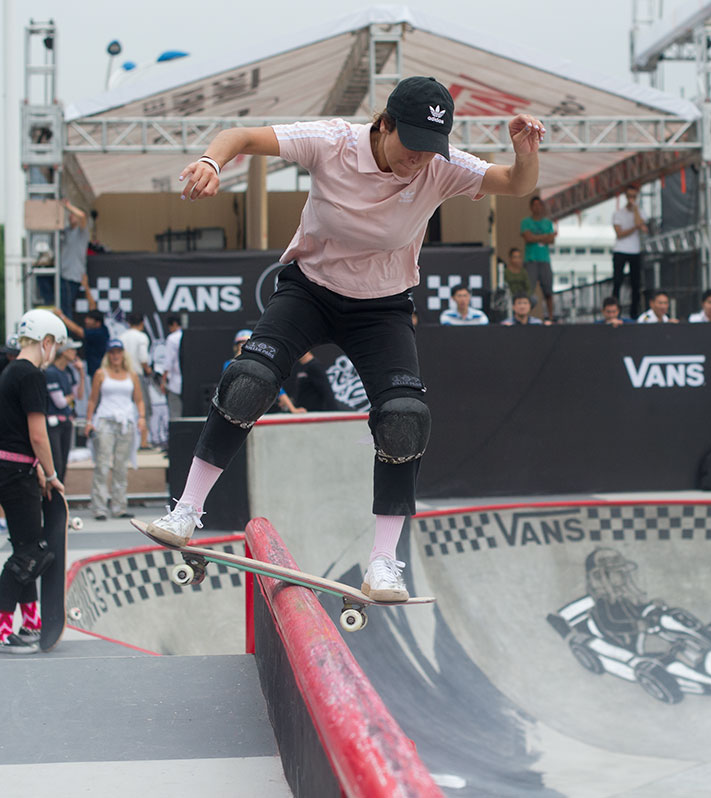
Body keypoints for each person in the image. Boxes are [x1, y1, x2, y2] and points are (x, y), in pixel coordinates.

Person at [147, 75, 544, 602]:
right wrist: (211, 163)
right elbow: (239, 135)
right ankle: (187, 510)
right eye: (411, 147)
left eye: (431, 151)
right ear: (384, 126)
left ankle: (383, 562)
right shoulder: (333, 142)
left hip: (381, 310)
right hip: (309, 291)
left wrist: (524, 153)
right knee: (248, 381)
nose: (419, 161)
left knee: (405, 419)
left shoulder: (441, 167)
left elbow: (517, 184)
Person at [0, 310, 68, 654]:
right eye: (56, 345)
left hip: (12, 468)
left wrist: (38, 468)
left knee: (23, 547)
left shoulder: (10, 371)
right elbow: (38, 434)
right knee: (32, 553)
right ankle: (2, 627)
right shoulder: (32, 376)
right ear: (46, 342)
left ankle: (30, 623)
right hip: (17, 474)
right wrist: (53, 474)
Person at [86, 339, 146, 520]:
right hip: (106, 419)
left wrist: (141, 417)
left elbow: (139, 399)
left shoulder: (131, 374)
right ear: (108, 354)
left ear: (123, 354)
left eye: (118, 352)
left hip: (125, 421)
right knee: (102, 464)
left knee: (121, 465)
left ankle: (119, 505)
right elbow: (92, 400)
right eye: (112, 352)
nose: (115, 356)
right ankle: (99, 506)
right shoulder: (101, 373)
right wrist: (89, 420)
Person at [223, 330, 306, 414]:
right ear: (236, 347)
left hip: (260, 409)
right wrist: (240, 357)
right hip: (238, 410)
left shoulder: (261, 365)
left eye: (247, 343)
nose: (243, 346)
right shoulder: (230, 364)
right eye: (241, 344)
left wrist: (292, 409)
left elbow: (278, 389)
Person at [44, 339, 84, 483]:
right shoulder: (51, 372)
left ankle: (59, 497)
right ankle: (52, 499)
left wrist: (81, 373)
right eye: (72, 350)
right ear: (64, 352)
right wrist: (70, 397)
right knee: (57, 463)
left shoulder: (68, 372)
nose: (75, 353)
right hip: (54, 423)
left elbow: (79, 395)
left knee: (64, 464)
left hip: (67, 421)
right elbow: (60, 402)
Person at [611, 185, 648, 317]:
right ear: (625, 197)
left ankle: (634, 314)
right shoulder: (618, 213)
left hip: (635, 250)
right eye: (629, 196)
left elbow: (642, 224)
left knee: (635, 283)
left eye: (634, 196)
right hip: (620, 250)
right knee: (617, 281)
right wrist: (635, 227)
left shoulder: (641, 212)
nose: (631, 199)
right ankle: (615, 312)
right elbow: (619, 234)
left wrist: (636, 209)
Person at [521, 196, 557, 321]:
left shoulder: (547, 222)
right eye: (534, 205)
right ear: (531, 207)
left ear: (542, 207)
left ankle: (551, 317)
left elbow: (551, 239)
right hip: (530, 259)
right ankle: (526, 316)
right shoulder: (526, 221)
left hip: (545, 260)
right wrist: (544, 237)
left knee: (548, 290)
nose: (537, 207)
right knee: (529, 290)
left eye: (539, 205)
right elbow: (528, 238)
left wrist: (536, 237)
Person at [120, 312, 153, 448]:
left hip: (122, 375)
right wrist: (148, 370)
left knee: (123, 407)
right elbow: (143, 358)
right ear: (142, 323)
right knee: (144, 407)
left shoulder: (121, 337)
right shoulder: (141, 337)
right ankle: (143, 442)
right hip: (137, 375)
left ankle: (122, 440)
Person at [156, 315, 184, 419]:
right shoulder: (186, 336)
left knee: (175, 415)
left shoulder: (172, 338)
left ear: (174, 324)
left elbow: (168, 362)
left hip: (175, 383)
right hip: (187, 383)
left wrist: (163, 381)